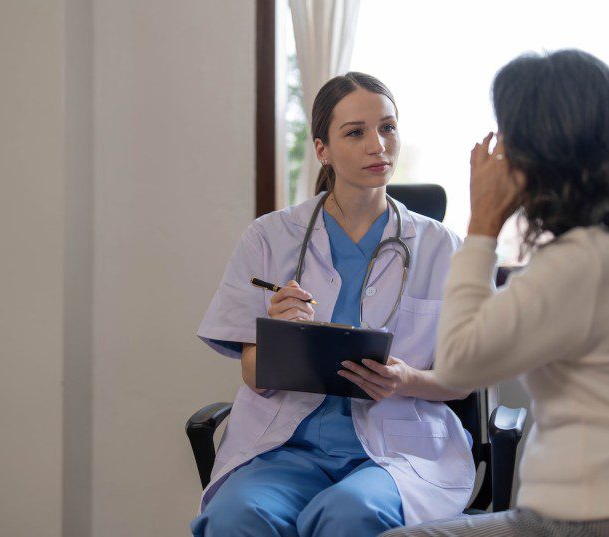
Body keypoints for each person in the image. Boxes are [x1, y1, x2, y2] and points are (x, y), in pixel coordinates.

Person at [383, 49, 609, 537]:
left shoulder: (583, 261)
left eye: (512, 143)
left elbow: (459, 363)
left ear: (547, 153)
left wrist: (482, 224)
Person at [190, 72, 478, 537]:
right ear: (321, 149)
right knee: (236, 518)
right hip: (287, 448)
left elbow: (462, 381)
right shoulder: (269, 237)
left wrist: (406, 379)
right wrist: (278, 333)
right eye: (356, 132)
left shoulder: (441, 246)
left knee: (350, 513)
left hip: (396, 452)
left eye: (388, 127)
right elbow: (250, 369)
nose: (378, 145)